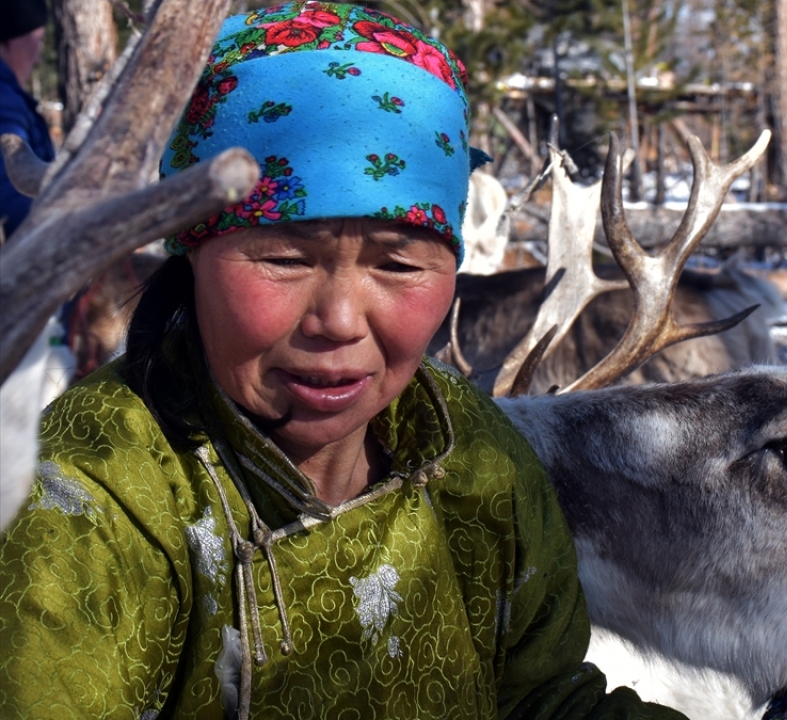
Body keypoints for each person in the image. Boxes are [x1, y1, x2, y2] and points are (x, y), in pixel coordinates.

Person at [0, 4, 686, 718]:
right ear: (191, 251)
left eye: (397, 265)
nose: (340, 322)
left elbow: (541, 700)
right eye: (285, 258)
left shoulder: (469, 453)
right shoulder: (81, 504)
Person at [0, 0, 55, 238]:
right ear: (9, 42)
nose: (38, 57)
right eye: (37, 41)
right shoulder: (5, 101)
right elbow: (12, 199)